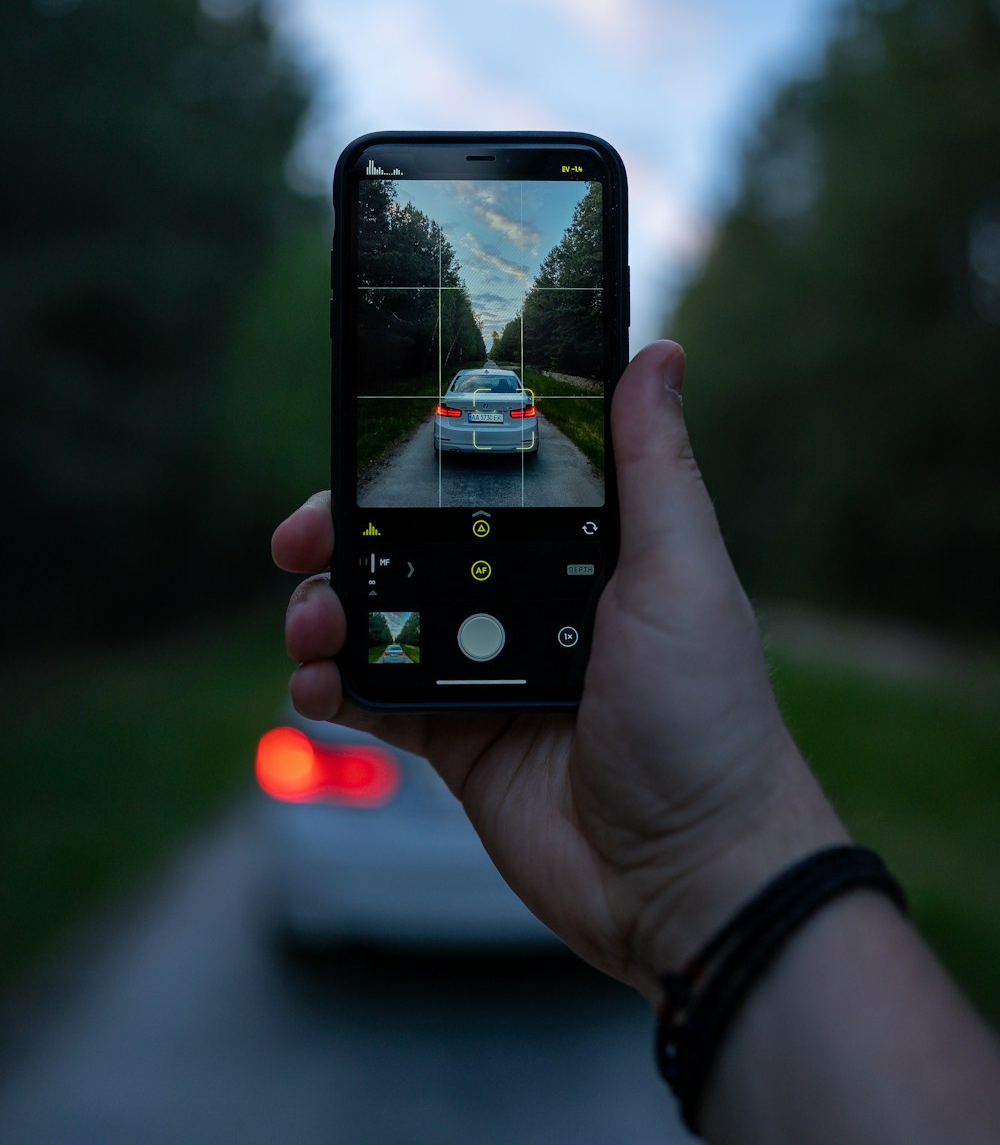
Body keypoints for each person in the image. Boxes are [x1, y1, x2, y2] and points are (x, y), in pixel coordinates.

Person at [272, 340, 1000, 1143]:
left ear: (522, 411)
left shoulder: (471, 404)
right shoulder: (512, 399)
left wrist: (705, 857)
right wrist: (724, 868)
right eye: (462, 409)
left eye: (501, 408)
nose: (479, 412)